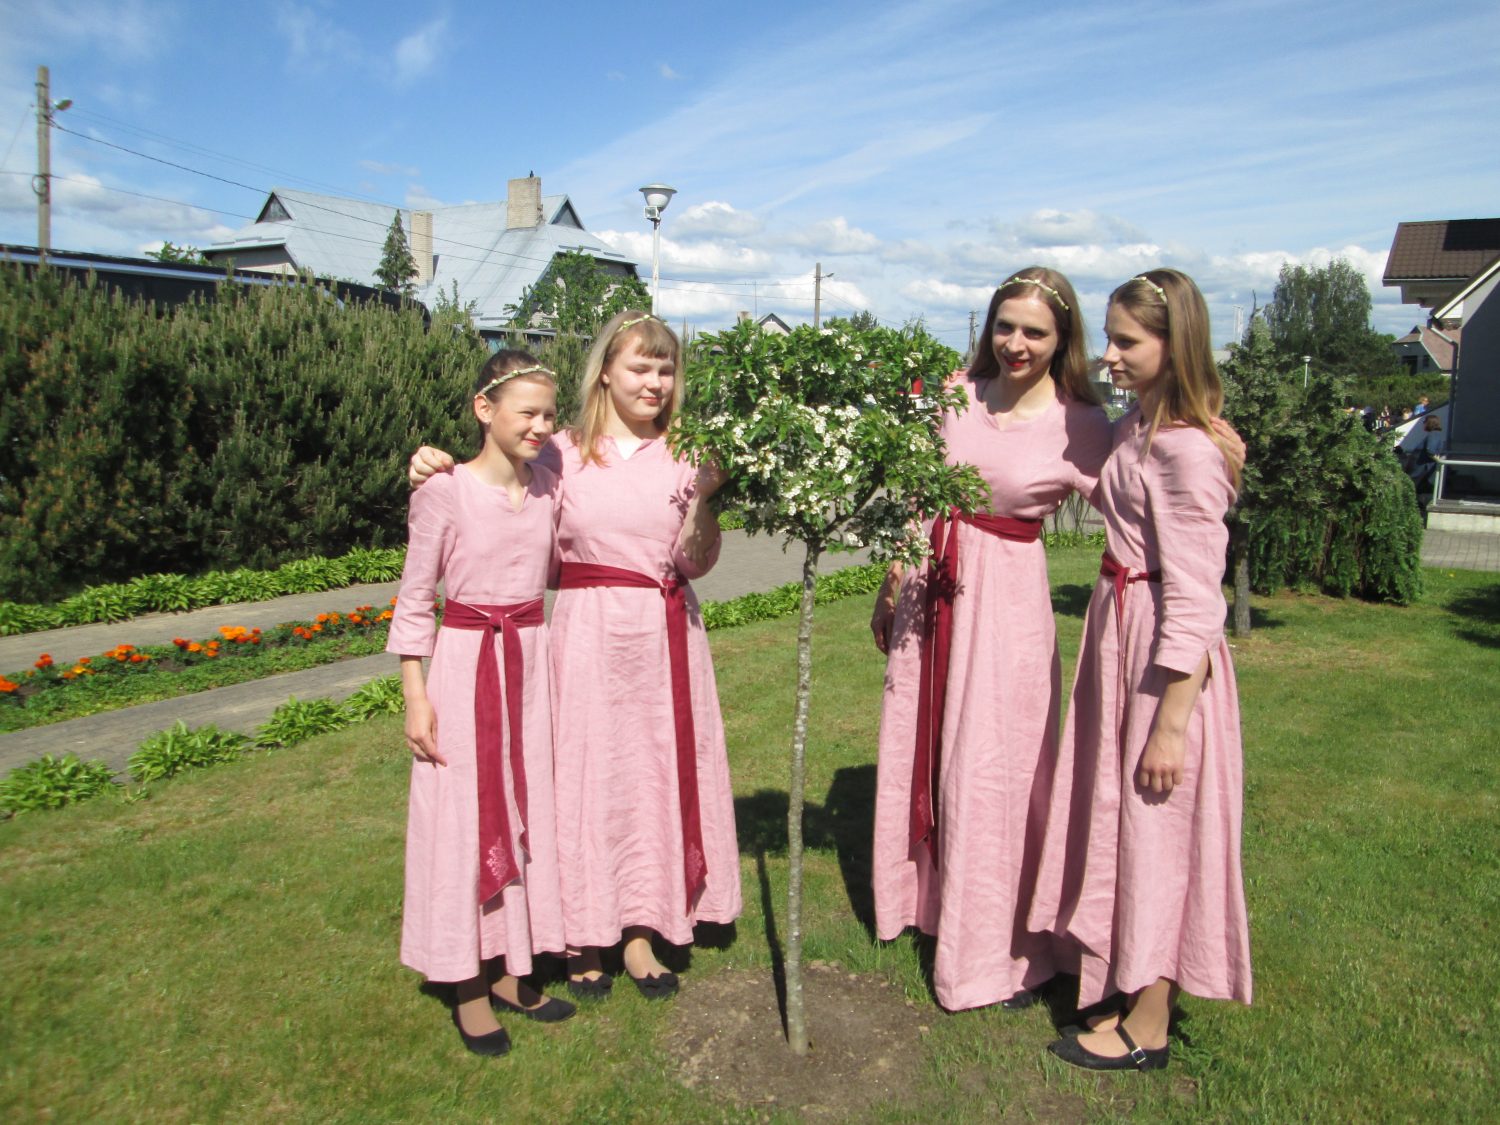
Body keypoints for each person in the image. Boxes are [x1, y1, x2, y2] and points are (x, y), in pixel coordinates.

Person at [407, 311, 741, 1002]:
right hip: (585, 635)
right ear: (606, 372)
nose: (654, 382)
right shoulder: (559, 451)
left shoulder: (687, 453)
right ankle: (584, 933)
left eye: (666, 368)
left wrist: (706, 499)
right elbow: (494, 493)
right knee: (585, 779)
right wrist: (433, 463)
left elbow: (697, 561)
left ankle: (642, 930)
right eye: (640, 366)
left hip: (665, 635)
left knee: (649, 778)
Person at [868, 267, 1114, 1013]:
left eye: (1035, 331)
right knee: (923, 742)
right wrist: (894, 574)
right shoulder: (956, 393)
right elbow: (918, 493)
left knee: (996, 768)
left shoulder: (1081, 423)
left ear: (1063, 339)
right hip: (930, 585)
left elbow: (1136, 498)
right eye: (1005, 326)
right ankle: (923, 902)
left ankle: (1004, 941)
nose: (1016, 343)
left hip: (1006, 604)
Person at [1030, 269, 1251, 1072]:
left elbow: (1196, 599)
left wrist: (1171, 723)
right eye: (1110, 338)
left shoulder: (1187, 451)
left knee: (1159, 826)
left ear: (1173, 342)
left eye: (1127, 341)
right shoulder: (1141, 427)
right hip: (1121, 632)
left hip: (1162, 654)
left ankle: (1151, 1022)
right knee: (1120, 817)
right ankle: (1124, 978)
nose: (1111, 355)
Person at [387, 350, 575, 1057]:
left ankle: (511, 968)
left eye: (549, 414)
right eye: (527, 412)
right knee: (462, 816)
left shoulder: (549, 486)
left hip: (530, 663)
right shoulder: (444, 491)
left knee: (527, 809)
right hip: (465, 668)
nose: (540, 426)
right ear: (483, 409)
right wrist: (415, 695)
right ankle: (465, 981)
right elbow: (414, 598)